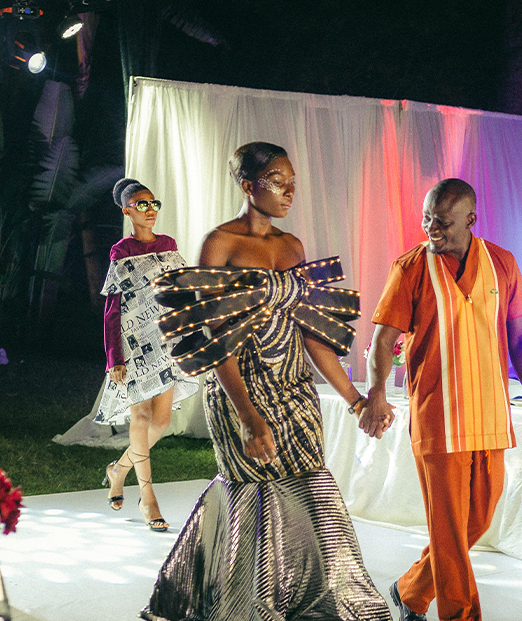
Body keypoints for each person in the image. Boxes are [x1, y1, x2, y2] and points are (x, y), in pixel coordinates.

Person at [141, 143, 389, 620]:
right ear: (247, 184)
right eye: (278, 180)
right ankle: (242, 607)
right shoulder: (221, 244)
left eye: (293, 181)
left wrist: (355, 399)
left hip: (294, 387)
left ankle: (328, 599)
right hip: (239, 389)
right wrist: (248, 415)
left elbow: (313, 333)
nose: (290, 191)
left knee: (312, 491)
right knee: (251, 494)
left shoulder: (291, 246)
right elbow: (216, 338)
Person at [360, 178, 522, 621]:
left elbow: (520, 339)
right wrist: (377, 394)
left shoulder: (502, 262)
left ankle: (409, 590)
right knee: (448, 533)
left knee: (474, 523)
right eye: (426, 218)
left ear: (470, 219)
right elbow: (384, 340)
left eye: (441, 221)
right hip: (437, 418)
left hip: (490, 416)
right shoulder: (410, 268)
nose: (430, 228)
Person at [99, 178, 198, 532]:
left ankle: (118, 470)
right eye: (141, 204)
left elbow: (180, 291)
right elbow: (113, 306)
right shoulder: (121, 251)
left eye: (153, 203)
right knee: (139, 417)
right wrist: (115, 358)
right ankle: (147, 497)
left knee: (161, 423)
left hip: (166, 342)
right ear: (127, 210)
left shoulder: (168, 245)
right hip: (133, 343)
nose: (150, 210)